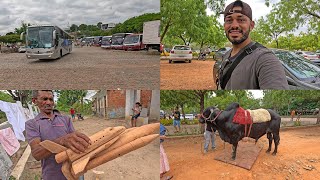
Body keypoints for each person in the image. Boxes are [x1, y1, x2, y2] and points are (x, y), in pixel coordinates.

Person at [217, 0, 289, 90]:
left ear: (251, 25)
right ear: (224, 25)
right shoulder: (226, 55)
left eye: (241, 20)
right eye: (229, 20)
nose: (234, 25)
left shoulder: (264, 59)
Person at [25, 90, 91, 180]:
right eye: (44, 99)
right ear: (35, 101)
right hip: (52, 175)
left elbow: (74, 143)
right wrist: (61, 141)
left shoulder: (65, 119)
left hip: (73, 172)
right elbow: (36, 153)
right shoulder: (32, 124)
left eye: (51, 99)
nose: (48, 102)